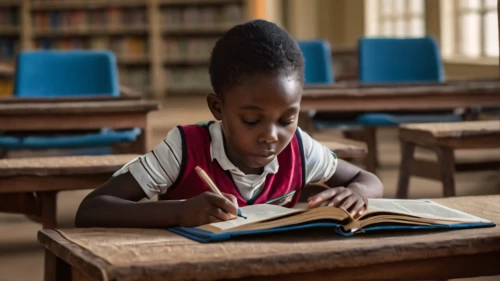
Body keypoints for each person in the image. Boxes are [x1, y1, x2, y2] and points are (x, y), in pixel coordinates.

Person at [75, 19, 383, 228]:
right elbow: (91, 209)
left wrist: (357, 192)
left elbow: (367, 178)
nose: (271, 136)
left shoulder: (300, 148)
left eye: (288, 119)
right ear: (217, 107)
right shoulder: (184, 148)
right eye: (251, 120)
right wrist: (179, 211)